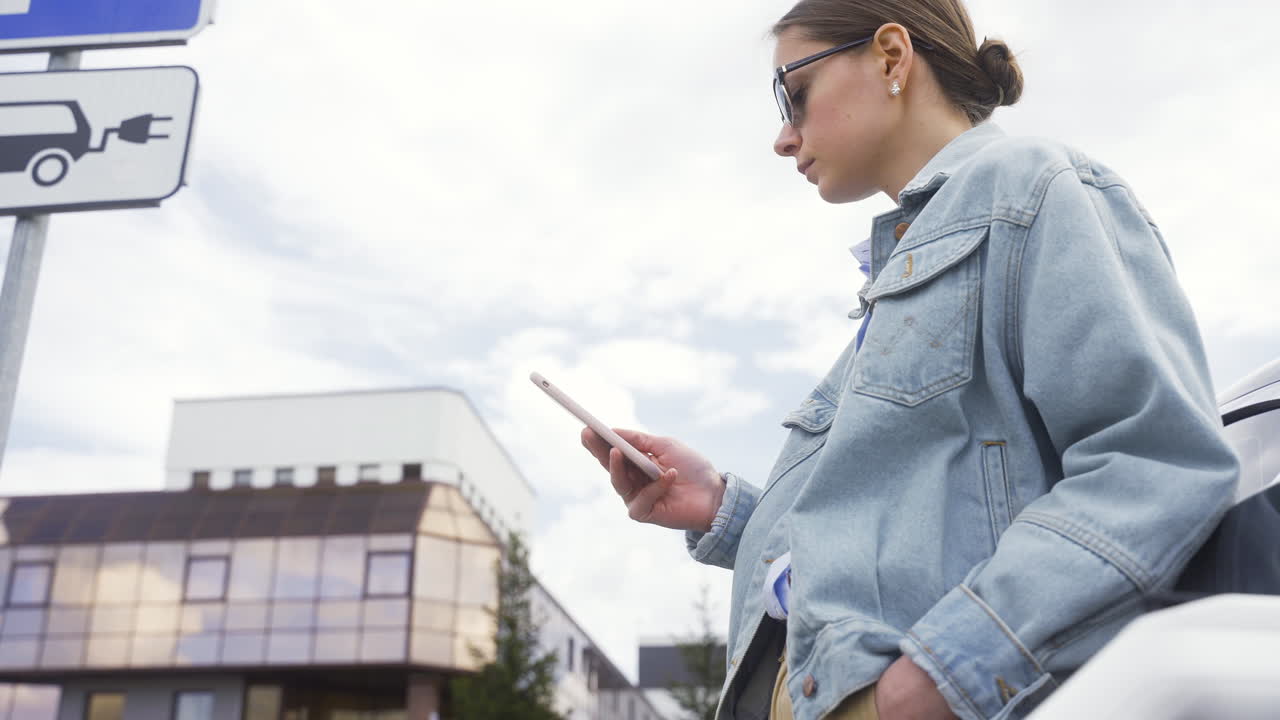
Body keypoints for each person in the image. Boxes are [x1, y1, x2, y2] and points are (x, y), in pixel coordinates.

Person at [580, 1, 1240, 718]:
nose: (782, 135)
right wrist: (725, 511)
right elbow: (900, 542)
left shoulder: (1037, 188)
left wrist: (943, 672)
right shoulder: (903, 278)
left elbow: (1154, 463)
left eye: (792, 94)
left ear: (892, 57)